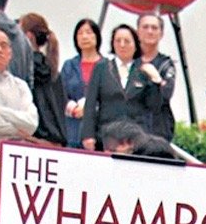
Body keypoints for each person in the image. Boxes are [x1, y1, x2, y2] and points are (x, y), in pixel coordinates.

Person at [80, 24, 156, 151]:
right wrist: (88, 135)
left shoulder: (143, 70)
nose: (122, 45)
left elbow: (154, 105)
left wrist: (155, 80)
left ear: (135, 44)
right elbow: (90, 103)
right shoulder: (102, 67)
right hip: (107, 135)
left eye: (127, 41)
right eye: (118, 41)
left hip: (136, 137)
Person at [19, 13, 65, 146]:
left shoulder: (25, 70)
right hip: (55, 141)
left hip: (32, 139)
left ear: (29, 36)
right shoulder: (53, 70)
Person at [60, 17, 102, 148]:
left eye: (89, 32)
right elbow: (60, 94)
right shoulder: (69, 65)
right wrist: (73, 109)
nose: (84, 37)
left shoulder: (107, 66)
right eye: (80, 33)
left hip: (98, 132)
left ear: (97, 36)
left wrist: (89, 109)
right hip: (72, 130)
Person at [135, 11, 175, 141]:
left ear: (161, 34)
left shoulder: (166, 64)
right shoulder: (129, 62)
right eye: (145, 27)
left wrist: (155, 77)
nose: (150, 31)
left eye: (154, 28)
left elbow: (166, 93)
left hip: (158, 130)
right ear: (137, 32)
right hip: (132, 129)